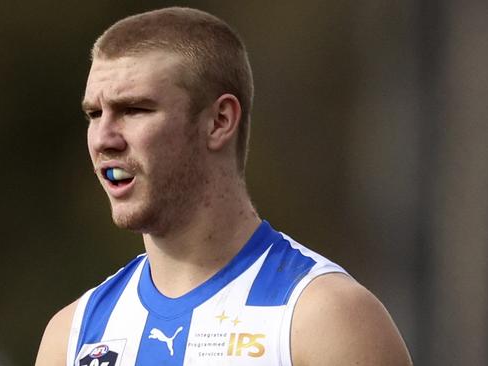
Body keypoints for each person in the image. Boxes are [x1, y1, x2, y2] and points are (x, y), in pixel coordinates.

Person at [35, 6, 412, 366]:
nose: (103, 138)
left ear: (219, 121)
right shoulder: (73, 336)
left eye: (134, 109)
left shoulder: (324, 320)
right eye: (94, 114)